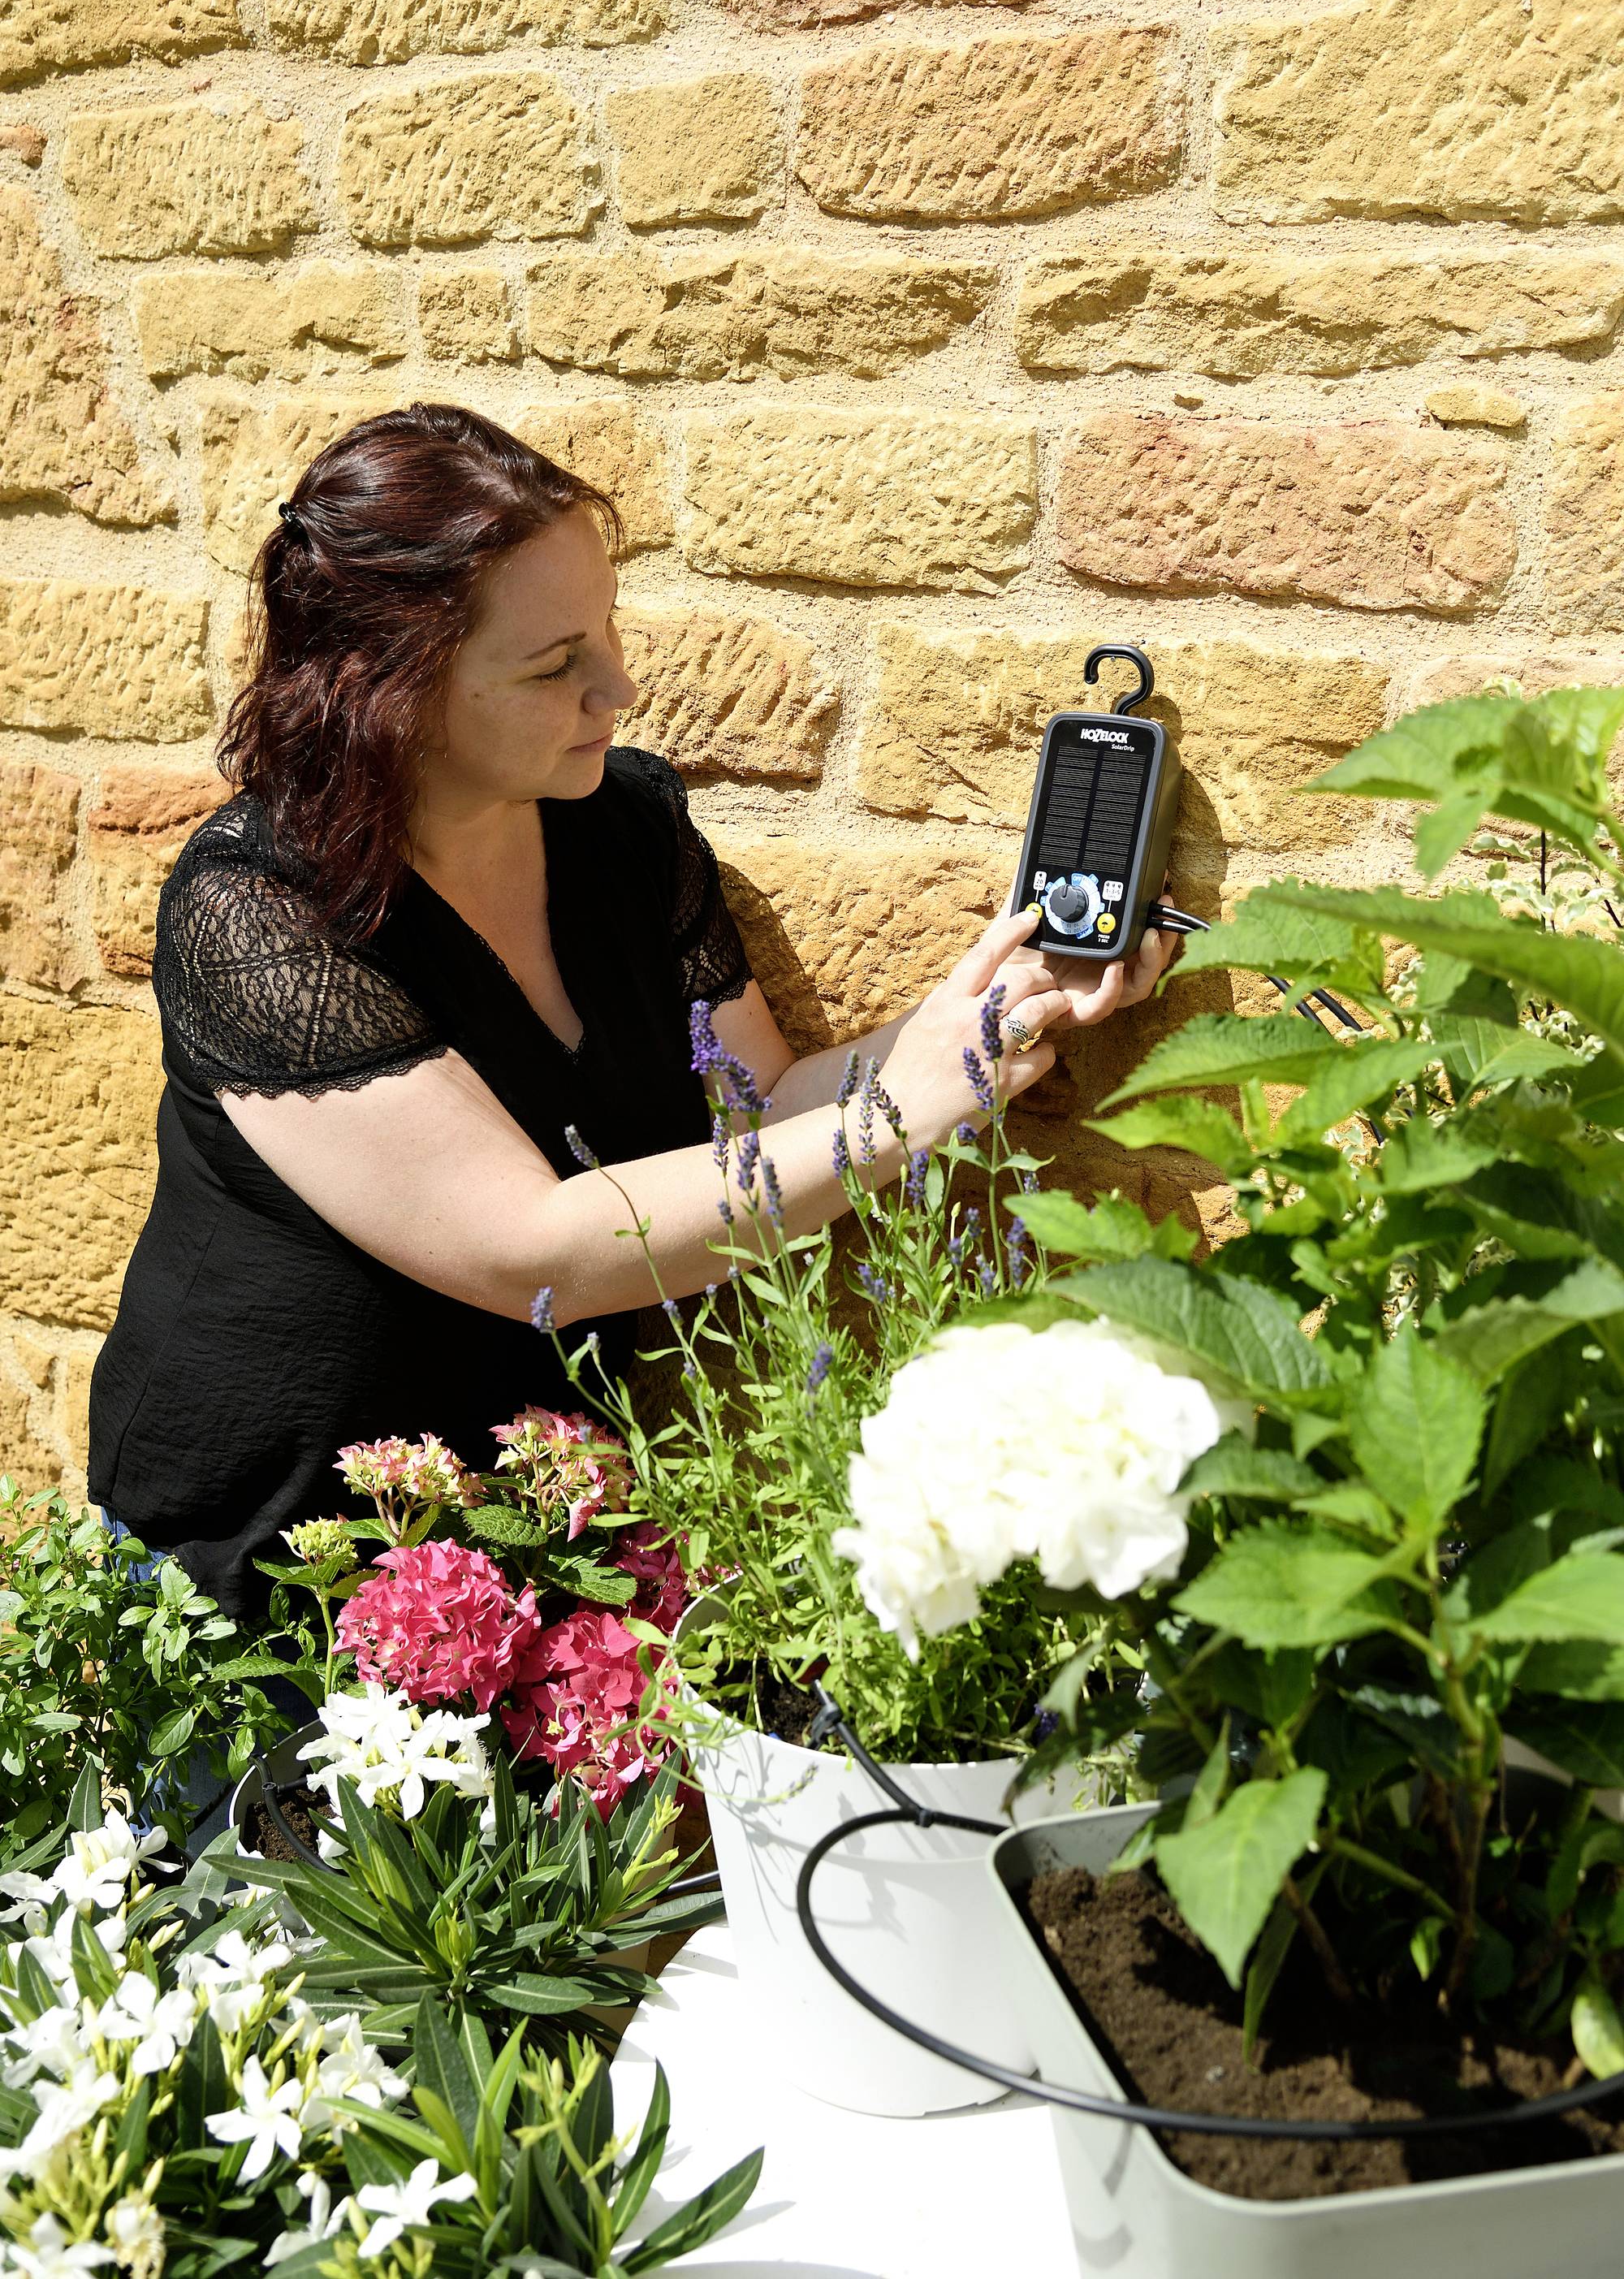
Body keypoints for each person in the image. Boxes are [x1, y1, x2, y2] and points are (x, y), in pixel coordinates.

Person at [88, 404, 1176, 1620]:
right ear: (385, 691)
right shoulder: (261, 908)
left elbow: (754, 1115)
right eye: (556, 665)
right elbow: (530, 1250)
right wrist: (901, 1120)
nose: (619, 685)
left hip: (509, 1554)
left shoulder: (625, 826)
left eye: (606, 630)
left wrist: (986, 1020)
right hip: (251, 1566)